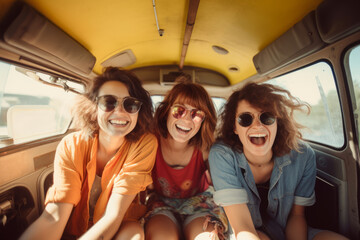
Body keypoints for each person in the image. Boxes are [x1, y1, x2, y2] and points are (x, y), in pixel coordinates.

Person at [19, 67, 158, 240]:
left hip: (121, 223)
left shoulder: (144, 144)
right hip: (75, 227)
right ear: (93, 107)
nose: (120, 112)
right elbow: (53, 217)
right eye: (109, 102)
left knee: (134, 234)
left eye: (130, 104)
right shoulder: (72, 145)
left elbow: (114, 215)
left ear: (139, 111)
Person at [208, 82, 349, 240]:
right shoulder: (222, 155)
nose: (257, 125)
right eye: (245, 119)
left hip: (286, 230)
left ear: (277, 122)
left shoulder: (303, 155)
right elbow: (242, 227)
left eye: (266, 117)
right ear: (234, 127)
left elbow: (297, 216)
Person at [144, 76, 228, 240]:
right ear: (166, 111)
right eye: (179, 110)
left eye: (196, 114)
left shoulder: (205, 149)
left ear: (203, 121)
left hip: (199, 203)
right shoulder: (151, 143)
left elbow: (224, 187)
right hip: (161, 204)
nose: (187, 119)